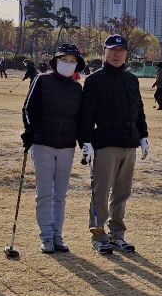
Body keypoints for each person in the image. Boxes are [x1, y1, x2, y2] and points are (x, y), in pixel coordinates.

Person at [78, 34, 149, 255]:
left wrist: (143, 136)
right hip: (106, 144)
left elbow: (139, 110)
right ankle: (99, 235)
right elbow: (86, 115)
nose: (117, 55)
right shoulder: (95, 80)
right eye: (113, 51)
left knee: (122, 192)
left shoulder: (132, 80)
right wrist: (86, 142)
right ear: (105, 53)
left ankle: (117, 235)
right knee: (101, 192)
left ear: (126, 54)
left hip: (129, 143)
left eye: (121, 51)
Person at [22, 43, 85, 254]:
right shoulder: (42, 80)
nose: (68, 63)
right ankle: (47, 236)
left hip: (67, 146)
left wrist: (84, 142)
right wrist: (30, 131)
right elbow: (28, 108)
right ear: (55, 61)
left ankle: (57, 235)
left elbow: (80, 118)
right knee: (44, 193)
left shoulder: (76, 88)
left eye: (72, 60)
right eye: (64, 59)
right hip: (43, 143)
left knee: (60, 194)